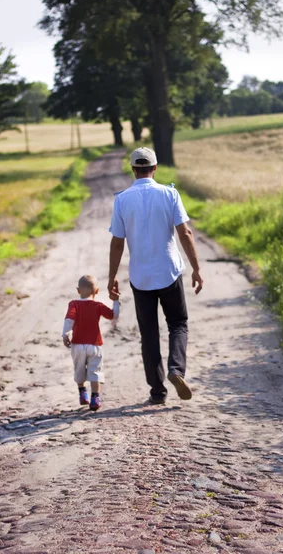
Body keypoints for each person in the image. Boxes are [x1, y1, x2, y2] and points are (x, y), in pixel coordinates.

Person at [108, 146, 203, 405]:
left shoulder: (122, 200)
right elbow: (185, 233)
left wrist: (111, 277)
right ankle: (176, 370)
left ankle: (157, 392)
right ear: (155, 167)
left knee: (148, 334)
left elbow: (117, 243)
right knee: (178, 323)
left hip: (141, 277)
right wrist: (196, 267)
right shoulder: (170, 194)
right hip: (169, 272)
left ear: (132, 169)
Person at [62, 274, 120, 411]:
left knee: (79, 369)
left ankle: (82, 393)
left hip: (77, 344)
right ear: (97, 291)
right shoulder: (98, 305)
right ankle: (95, 398)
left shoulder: (74, 304)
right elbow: (113, 316)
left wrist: (66, 334)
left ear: (78, 290)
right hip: (95, 344)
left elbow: (69, 319)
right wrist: (116, 301)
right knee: (95, 371)